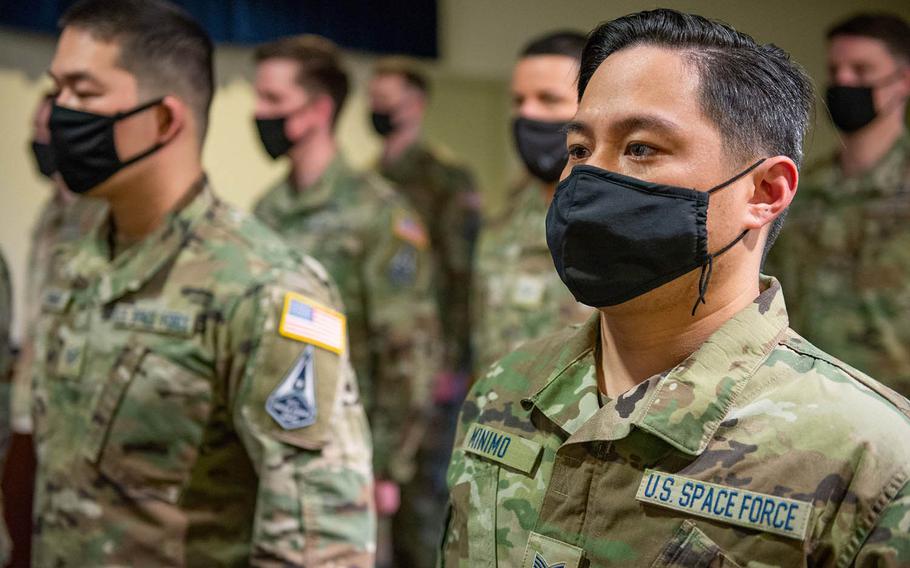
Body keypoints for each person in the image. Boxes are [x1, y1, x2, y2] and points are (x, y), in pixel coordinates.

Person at [442, 9, 910, 567]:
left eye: (640, 148)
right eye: (579, 150)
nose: (590, 180)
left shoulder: (869, 459)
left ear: (764, 190)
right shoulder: (504, 393)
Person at [32, 2, 374, 565]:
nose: (58, 114)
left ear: (165, 120)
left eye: (84, 93)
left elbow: (323, 540)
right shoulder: (78, 261)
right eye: (57, 90)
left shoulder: (266, 287)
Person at [250, 34, 441, 555]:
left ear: (317, 109)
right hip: (270, 452)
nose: (257, 112)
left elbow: (408, 349)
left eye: (271, 100)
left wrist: (388, 467)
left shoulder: (378, 213)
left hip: (349, 462)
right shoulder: (265, 211)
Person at [368, 57, 481, 567]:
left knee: (423, 498)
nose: (379, 109)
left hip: (431, 357)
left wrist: (454, 362)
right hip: (381, 358)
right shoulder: (370, 178)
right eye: (374, 100)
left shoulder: (445, 178)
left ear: (417, 104)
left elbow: (461, 276)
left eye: (389, 100)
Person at [766, 13, 910, 397]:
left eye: (861, 70)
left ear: (903, 81)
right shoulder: (796, 187)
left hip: (897, 410)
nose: (844, 81)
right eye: (836, 69)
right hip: (809, 401)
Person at [472, 31, 593, 374]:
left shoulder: (628, 226)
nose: (527, 114)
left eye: (548, 99)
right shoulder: (503, 222)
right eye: (518, 100)